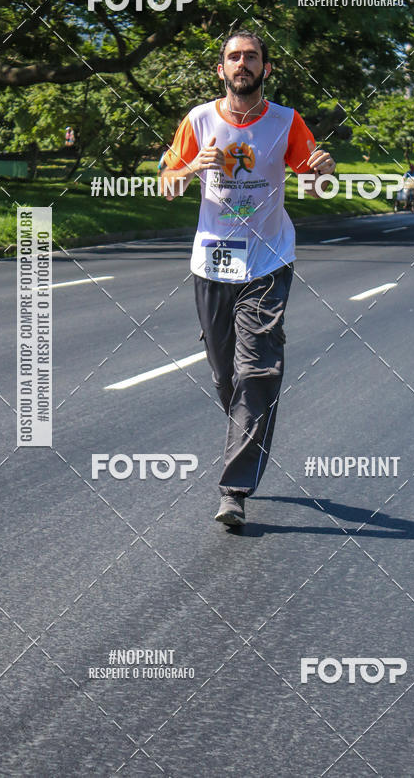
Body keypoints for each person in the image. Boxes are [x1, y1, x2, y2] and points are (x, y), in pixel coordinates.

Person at [160, 29, 335, 525]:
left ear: (266, 68)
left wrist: (324, 170)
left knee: (257, 371)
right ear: (221, 69)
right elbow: (166, 185)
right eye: (234, 57)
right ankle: (248, 430)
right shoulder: (198, 120)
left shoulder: (286, 121)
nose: (243, 64)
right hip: (212, 262)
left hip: (268, 259)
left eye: (252, 57)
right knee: (226, 377)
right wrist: (191, 168)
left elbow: (315, 186)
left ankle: (233, 490)